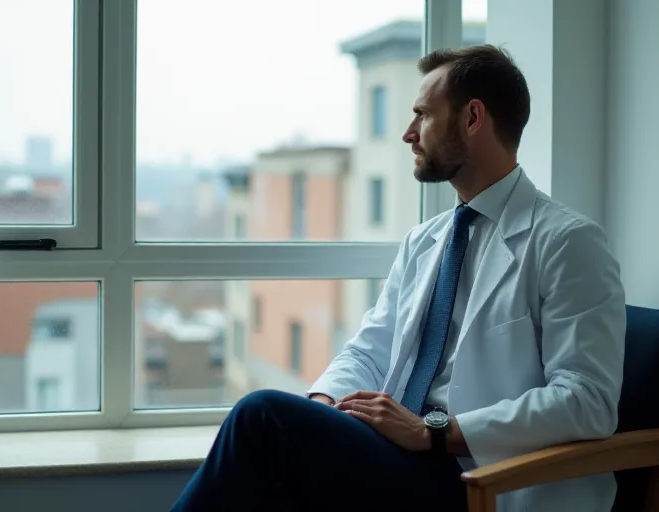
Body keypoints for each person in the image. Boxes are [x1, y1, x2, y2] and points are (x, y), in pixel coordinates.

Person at [169, 44, 625, 512]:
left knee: (261, 418)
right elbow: (370, 348)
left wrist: (433, 432)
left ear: (472, 118)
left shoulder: (567, 242)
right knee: (275, 463)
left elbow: (586, 401)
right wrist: (324, 407)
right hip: (404, 461)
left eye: (423, 115)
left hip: (478, 478)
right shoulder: (426, 241)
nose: (409, 134)